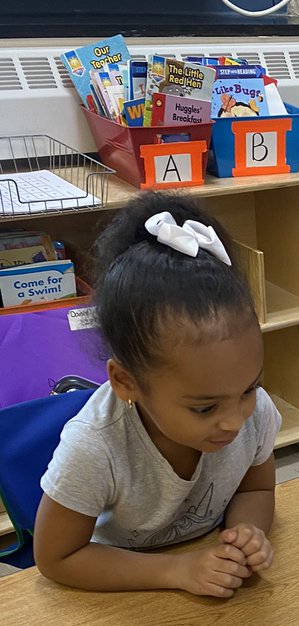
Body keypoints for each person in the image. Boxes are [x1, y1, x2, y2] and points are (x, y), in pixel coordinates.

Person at [35, 192, 280, 598]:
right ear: (126, 381)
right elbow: (57, 558)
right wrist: (176, 570)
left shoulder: (254, 415)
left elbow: (256, 490)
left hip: (205, 580)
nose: (236, 420)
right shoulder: (95, 446)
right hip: (125, 589)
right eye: (204, 406)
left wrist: (248, 532)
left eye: (248, 388)